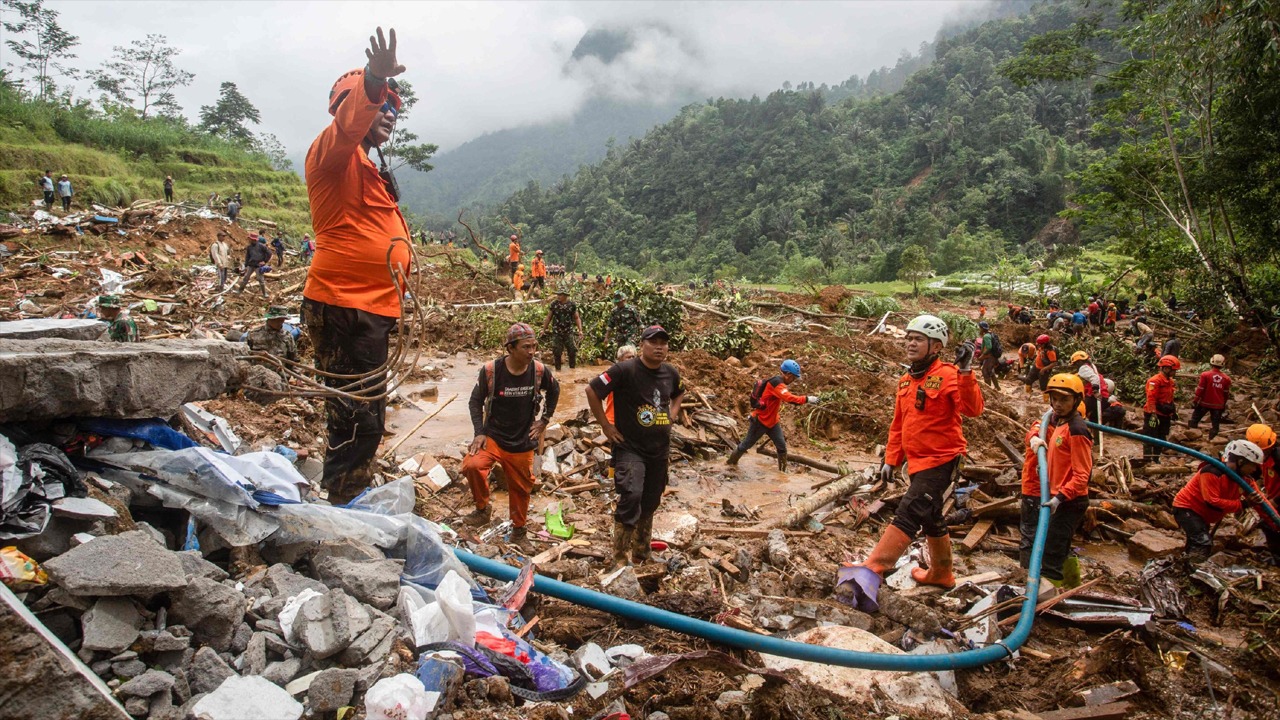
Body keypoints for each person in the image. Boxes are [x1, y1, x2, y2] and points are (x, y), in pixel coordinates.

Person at [301, 27, 413, 505]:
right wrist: (373, 80)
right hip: (345, 305)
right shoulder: (331, 154)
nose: (388, 114)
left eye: (393, 109)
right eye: (380, 106)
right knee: (355, 417)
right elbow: (349, 124)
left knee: (364, 412)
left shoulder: (368, 167)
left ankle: (348, 495)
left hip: (370, 308)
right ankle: (344, 504)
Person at [839, 314, 984, 612]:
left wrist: (966, 371)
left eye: (918, 339)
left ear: (936, 346)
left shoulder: (949, 374)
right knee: (931, 516)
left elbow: (973, 409)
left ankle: (874, 566)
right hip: (917, 462)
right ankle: (941, 573)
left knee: (910, 510)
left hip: (942, 459)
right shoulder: (906, 380)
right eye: (909, 338)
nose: (911, 343)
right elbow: (899, 424)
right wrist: (891, 459)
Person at [586, 325, 685, 569]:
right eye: (653, 342)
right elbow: (592, 390)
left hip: (659, 450)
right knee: (631, 495)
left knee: (651, 499)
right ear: (642, 345)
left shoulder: (670, 373)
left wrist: (672, 415)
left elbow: (679, 392)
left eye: (663, 343)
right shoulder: (624, 370)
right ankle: (620, 558)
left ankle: (642, 552)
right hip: (630, 447)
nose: (659, 347)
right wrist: (606, 427)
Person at [461, 323, 560, 551]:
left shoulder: (539, 371)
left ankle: (519, 531)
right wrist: (479, 433)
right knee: (472, 465)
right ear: (510, 348)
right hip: (494, 436)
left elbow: (555, 391)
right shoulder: (491, 371)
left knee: (521, 488)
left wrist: (544, 420)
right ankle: (482, 509)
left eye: (534, 346)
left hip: (523, 440)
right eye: (526, 347)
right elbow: (475, 401)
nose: (532, 351)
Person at [1019, 374, 1093, 587]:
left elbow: (1082, 475)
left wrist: (1060, 497)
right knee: (1059, 545)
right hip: (1058, 496)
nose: (1058, 404)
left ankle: (1046, 598)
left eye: (1064, 399)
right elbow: (1036, 429)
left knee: (1051, 553)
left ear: (1076, 400)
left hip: (1069, 500)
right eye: (1055, 399)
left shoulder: (1076, 430)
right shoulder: (1059, 421)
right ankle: (1072, 585)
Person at [1171, 440, 1265, 560]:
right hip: (1187, 509)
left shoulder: (1246, 480)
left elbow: (1262, 501)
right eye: (1253, 465)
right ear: (1241, 461)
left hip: (1203, 514)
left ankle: (1186, 564)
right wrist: (1243, 504)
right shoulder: (1212, 472)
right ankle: (1193, 567)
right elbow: (1212, 501)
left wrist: (1275, 521)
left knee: (1197, 542)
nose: (1255, 469)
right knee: (1202, 543)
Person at [726, 359, 818, 471]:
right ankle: (730, 464)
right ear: (788, 375)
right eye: (793, 378)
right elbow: (789, 398)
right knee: (746, 444)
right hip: (760, 421)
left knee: (781, 447)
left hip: (773, 422)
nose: (793, 380)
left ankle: (783, 472)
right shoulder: (776, 384)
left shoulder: (779, 383)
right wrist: (807, 399)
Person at [1247, 424, 1280, 563]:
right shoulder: (1260, 457)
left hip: (1277, 499)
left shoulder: (1278, 458)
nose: (1263, 454)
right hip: (1273, 496)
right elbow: (1254, 473)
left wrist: (1275, 502)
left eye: (1265, 451)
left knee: (1271, 525)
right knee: (1269, 525)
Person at [1142, 355, 1180, 462]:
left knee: (1161, 437)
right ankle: (1147, 460)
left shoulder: (1170, 382)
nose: (1175, 373)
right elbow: (1151, 398)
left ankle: (1156, 459)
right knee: (1149, 437)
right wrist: (1153, 413)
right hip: (1154, 414)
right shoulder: (1154, 381)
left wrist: (1173, 411)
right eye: (1174, 370)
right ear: (1166, 368)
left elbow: (1170, 398)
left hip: (1164, 414)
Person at [1189, 354, 1231, 439]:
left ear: (1211, 362)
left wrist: (1195, 400)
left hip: (1204, 403)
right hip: (1218, 405)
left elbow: (1200, 389)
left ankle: (1191, 436)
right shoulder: (1226, 378)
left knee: (1194, 420)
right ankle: (1212, 440)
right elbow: (1226, 393)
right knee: (1215, 425)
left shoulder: (1205, 375)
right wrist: (1223, 404)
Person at [542, 287, 582, 371]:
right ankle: (558, 370)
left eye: (560, 295)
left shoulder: (572, 305)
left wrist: (580, 330)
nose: (558, 296)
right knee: (557, 352)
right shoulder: (554, 304)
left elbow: (577, 317)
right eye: (558, 294)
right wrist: (543, 329)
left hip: (568, 331)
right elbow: (549, 317)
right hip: (557, 332)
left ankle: (572, 370)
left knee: (572, 351)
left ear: (565, 295)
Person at [1069, 351, 1108, 423]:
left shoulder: (1083, 368)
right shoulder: (1091, 367)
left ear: (1079, 362)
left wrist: (1095, 391)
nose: (1075, 366)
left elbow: (1095, 378)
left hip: (1095, 396)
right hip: (1103, 396)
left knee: (1078, 409)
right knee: (1094, 419)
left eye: (1075, 364)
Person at [603, 344, 636, 425]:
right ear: (620, 359)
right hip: (613, 420)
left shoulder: (636, 374)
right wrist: (604, 424)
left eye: (633, 357)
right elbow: (593, 390)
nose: (631, 359)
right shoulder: (612, 374)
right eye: (628, 357)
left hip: (631, 420)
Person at [976, 322, 1003, 389]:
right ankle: (997, 387)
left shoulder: (986, 336)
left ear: (982, 328)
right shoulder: (990, 334)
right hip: (993, 356)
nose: (979, 329)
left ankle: (988, 388)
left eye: (980, 328)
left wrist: (983, 355)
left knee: (985, 371)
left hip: (990, 356)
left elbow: (989, 347)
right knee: (990, 371)